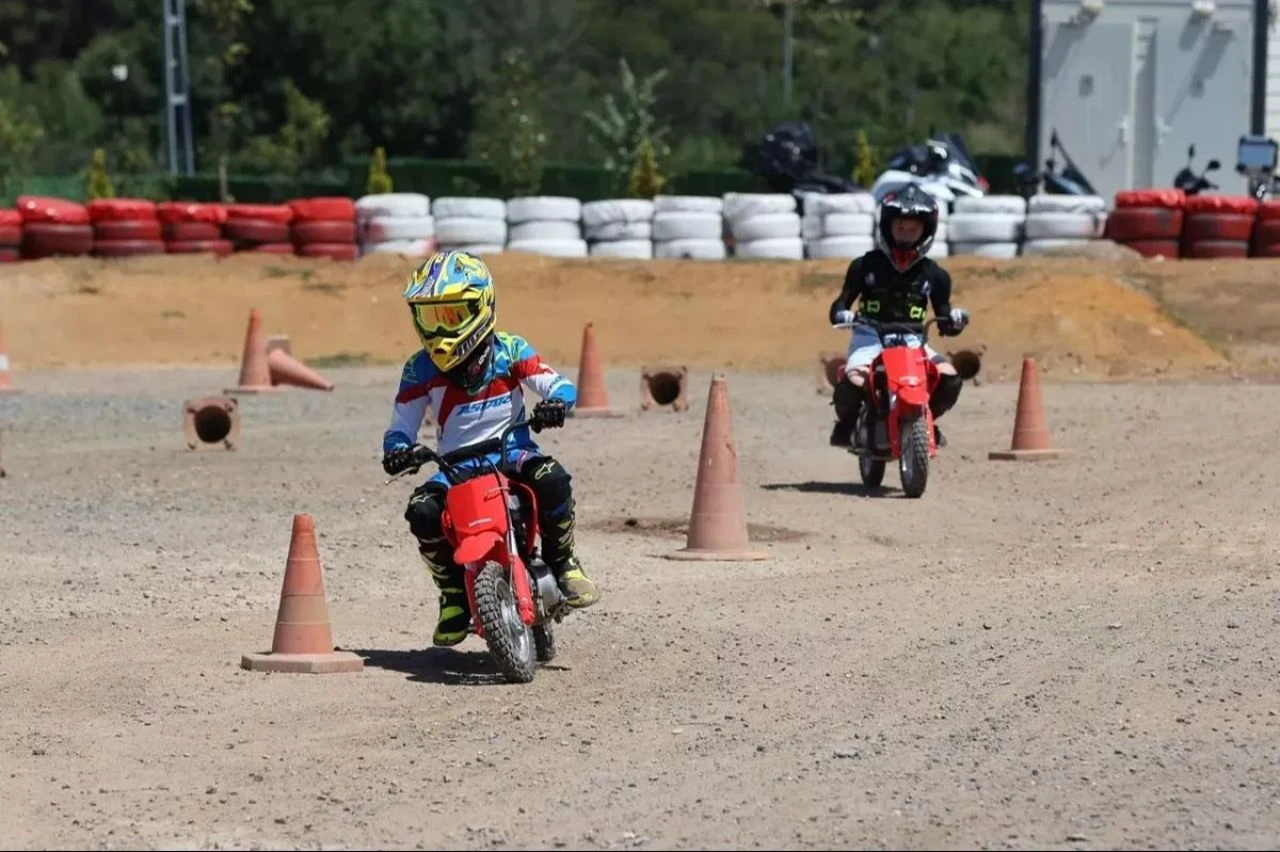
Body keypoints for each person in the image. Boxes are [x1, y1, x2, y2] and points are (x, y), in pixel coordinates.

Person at [380, 249, 600, 648]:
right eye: (430, 316)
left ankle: (564, 562)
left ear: (481, 306)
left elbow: (559, 384)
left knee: (554, 480)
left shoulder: (511, 350)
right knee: (422, 511)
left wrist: (556, 403)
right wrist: (398, 450)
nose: (440, 329)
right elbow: (400, 427)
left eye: (450, 315)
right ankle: (452, 597)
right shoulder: (418, 370)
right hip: (455, 467)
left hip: (511, 453)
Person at [827, 183, 970, 449]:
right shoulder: (864, 265)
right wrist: (842, 314)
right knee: (855, 378)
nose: (906, 234)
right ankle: (846, 424)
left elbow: (944, 320)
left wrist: (955, 321)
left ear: (925, 231)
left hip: (914, 341)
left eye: (913, 229)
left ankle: (926, 419)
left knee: (949, 377)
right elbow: (840, 303)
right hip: (869, 337)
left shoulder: (936, 275)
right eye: (901, 227)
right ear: (888, 226)